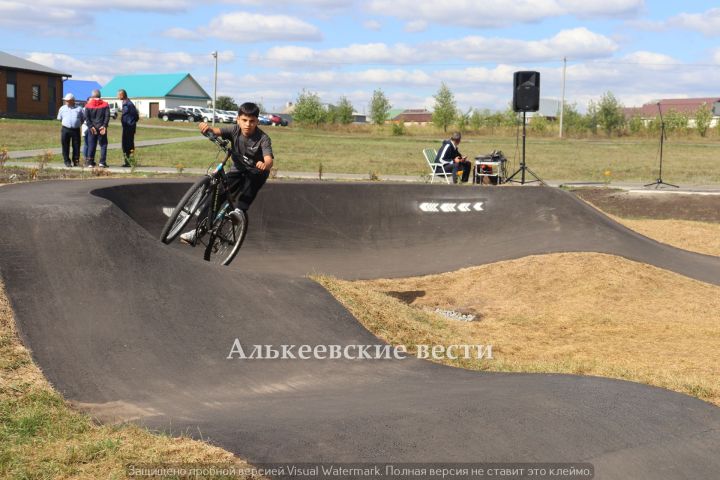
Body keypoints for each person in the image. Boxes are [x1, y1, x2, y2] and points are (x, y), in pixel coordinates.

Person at [180, 102, 274, 244]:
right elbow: (215, 130)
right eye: (244, 120)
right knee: (217, 196)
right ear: (238, 120)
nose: (248, 124)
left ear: (257, 122)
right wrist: (206, 128)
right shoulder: (234, 130)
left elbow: (269, 159)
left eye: (252, 121)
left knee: (252, 183)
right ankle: (197, 233)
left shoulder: (263, 138)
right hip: (238, 170)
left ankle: (239, 212)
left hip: (256, 172)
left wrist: (264, 164)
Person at [56, 93, 84, 167]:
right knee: (65, 145)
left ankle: (76, 161)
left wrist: (77, 124)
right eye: (65, 100)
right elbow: (60, 118)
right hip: (65, 129)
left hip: (76, 130)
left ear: (72, 101)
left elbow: (83, 119)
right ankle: (67, 161)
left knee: (76, 146)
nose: (66, 102)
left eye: (68, 100)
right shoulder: (62, 108)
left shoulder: (79, 108)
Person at [84, 89, 110, 168]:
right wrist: (104, 125)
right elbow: (107, 116)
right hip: (102, 128)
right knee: (103, 145)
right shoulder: (105, 104)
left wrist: (91, 126)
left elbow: (86, 117)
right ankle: (102, 162)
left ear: (92, 96)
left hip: (92, 128)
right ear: (100, 95)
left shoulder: (88, 105)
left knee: (91, 145)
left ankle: (90, 162)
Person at [118, 89, 139, 167]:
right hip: (126, 127)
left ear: (122, 95)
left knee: (128, 144)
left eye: (118, 95)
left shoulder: (129, 104)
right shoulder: (125, 103)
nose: (117, 96)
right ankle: (127, 162)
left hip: (129, 127)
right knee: (125, 145)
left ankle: (130, 162)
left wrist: (131, 123)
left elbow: (136, 116)